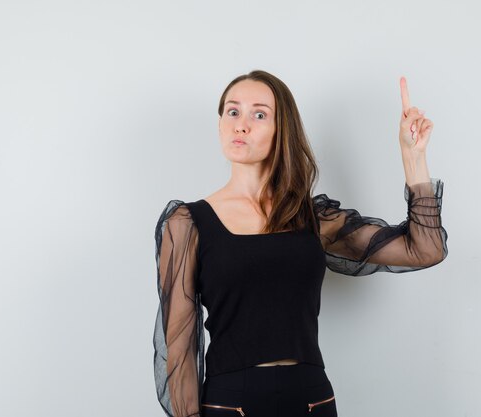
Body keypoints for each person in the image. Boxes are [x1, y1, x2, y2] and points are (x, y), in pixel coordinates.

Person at [152, 70, 448, 417]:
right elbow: (180, 345)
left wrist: (413, 157)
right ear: (220, 124)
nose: (241, 124)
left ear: (281, 129)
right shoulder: (187, 224)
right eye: (232, 111)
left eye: (259, 114)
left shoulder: (311, 217)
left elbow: (425, 249)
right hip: (230, 403)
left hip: (311, 399)